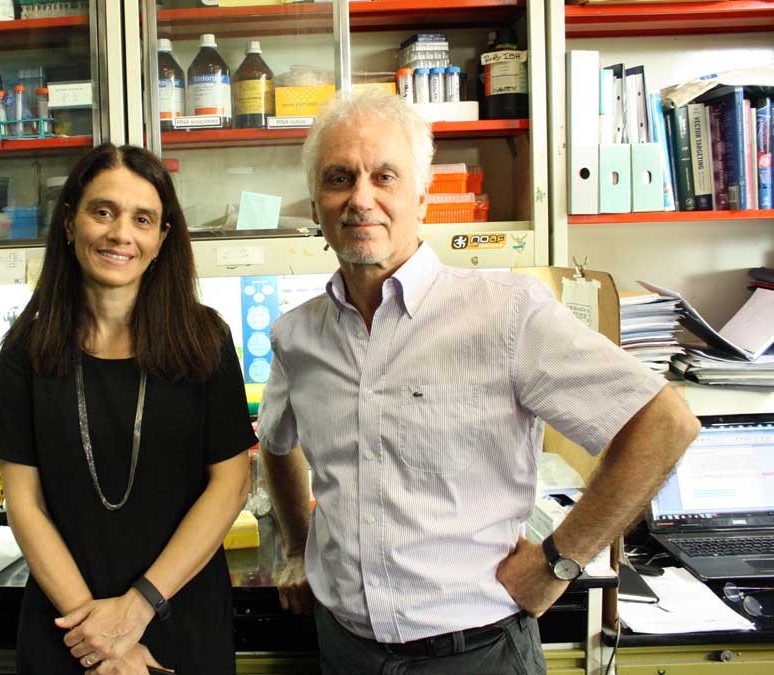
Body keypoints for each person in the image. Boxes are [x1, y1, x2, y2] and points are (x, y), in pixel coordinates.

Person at [257, 92, 701, 674]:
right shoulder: (297, 336)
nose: (360, 199)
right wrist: (296, 546)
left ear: (421, 194)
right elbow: (275, 440)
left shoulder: (506, 313)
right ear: (316, 205)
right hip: (345, 648)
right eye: (339, 178)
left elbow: (664, 424)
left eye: (383, 176)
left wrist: (558, 563)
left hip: (477, 651)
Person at [0, 143, 256, 675]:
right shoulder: (27, 351)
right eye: (102, 211)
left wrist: (135, 612)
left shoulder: (204, 339)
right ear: (69, 224)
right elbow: (24, 505)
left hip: (180, 618)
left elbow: (231, 484)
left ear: (161, 238)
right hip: (67, 629)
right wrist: (102, 639)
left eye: (142, 218)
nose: (119, 234)